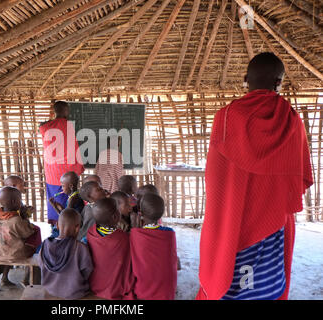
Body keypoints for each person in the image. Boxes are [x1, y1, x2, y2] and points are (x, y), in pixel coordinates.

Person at [196, 52, 313, 300]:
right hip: (273, 223)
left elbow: (215, 178)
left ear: (246, 79)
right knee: (265, 288)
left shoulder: (226, 118)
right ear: (279, 82)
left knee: (230, 282)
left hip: (233, 219)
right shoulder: (291, 120)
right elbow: (299, 175)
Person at [39, 101, 84, 231]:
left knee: (54, 198)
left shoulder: (45, 127)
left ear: (54, 111)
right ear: (66, 111)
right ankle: (68, 226)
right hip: (67, 174)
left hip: (52, 172)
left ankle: (56, 227)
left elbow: (40, 128)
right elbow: (74, 148)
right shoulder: (68, 125)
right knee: (68, 199)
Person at [130, 193, 178, 300]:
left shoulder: (136, 234)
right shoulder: (170, 233)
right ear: (161, 214)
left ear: (141, 213)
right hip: (167, 290)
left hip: (145, 289)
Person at [39, 208, 94, 299]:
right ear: (77, 228)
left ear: (57, 225)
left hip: (50, 289)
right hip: (75, 293)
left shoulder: (45, 244)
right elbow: (87, 270)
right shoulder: (80, 248)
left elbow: (41, 264)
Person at [86, 198, 135, 300]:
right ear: (115, 216)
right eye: (117, 209)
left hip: (95, 284)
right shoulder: (123, 238)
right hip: (115, 287)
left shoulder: (90, 233)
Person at [0, 187, 40, 289]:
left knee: (10, 248)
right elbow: (27, 233)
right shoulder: (15, 219)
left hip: (0, 252)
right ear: (14, 201)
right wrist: (25, 217)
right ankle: (27, 280)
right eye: (20, 199)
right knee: (36, 254)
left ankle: (4, 278)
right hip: (15, 254)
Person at [49, 171, 84, 238]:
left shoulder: (73, 199)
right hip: (72, 222)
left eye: (63, 186)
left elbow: (65, 219)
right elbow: (67, 213)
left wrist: (54, 207)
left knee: (53, 235)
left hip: (71, 227)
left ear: (71, 186)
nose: (62, 188)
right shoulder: (74, 196)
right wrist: (61, 208)